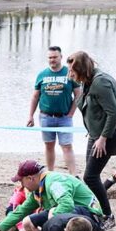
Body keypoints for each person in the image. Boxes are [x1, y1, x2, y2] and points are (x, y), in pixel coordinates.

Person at [68, 51, 116, 231]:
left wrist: (103, 138)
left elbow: (114, 113)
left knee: (90, 176)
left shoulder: (101, 82)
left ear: (81, 68)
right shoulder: (88, 80)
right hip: (96, 134)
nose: (70, 74)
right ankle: (96, 212)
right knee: (91, 176)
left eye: (72, 71)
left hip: (109, 134)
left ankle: (108, 216)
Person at [0, 160, 101, 231]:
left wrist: (49, 225)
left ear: (30, 178)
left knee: (53, 214)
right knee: (27, 222)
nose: (21, 186)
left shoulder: (53, 182)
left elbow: (67, 204)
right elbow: (20, 211)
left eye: (21, 181)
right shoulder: (37, 189)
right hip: (73, 213)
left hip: (90, 216)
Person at [26, 45, 81, 173]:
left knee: (67, 146)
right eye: (50, 57)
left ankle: (73, 175)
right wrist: (30, 116)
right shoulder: (42, 74)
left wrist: (71, 113)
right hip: (46, 117)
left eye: (55, 57)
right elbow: (35, 96)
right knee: (49, 145)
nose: (52, 60)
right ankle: (50, 172)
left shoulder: (69, 72)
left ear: (61, 57)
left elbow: (79, 94)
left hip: (64, 117)